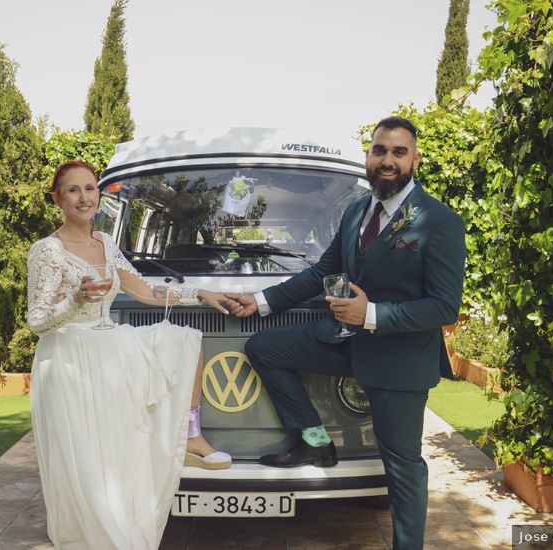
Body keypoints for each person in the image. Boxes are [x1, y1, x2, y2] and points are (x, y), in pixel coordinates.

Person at [224, 116, 466, 550]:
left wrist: (370, 314)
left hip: (399, 364)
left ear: (415, 159)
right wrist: (260, 302)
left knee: (402, 465)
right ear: (368, 156)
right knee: (264, 347)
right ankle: (314, 441)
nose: (387, 160)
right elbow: (323, 270)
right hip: (344, 343)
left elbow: (444, 306)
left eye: (398, 152)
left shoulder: (439, 221)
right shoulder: (357, 210)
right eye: (380, 150)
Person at [27, 160, 232, 549]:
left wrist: (198, 294)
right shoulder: (47, 251)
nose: (84, 197)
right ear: (58, 198)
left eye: (90, 188)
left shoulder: (105, 242)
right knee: (88, 458)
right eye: (73, 190)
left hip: (109, 350)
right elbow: (36, 321)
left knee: (186, 340)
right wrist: (74, 300)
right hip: (70, 361)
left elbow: (147, 292)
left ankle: (190, 435)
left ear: (98, 195)